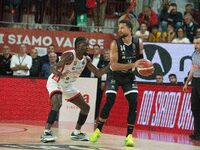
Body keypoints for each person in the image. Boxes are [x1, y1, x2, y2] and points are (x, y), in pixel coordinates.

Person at [40, 36, 109, 143]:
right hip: (56, 82)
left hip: (67, 86)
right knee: (57, 104)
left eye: (88, 45)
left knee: (86, 107)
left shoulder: (86, 59)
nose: (87, 47)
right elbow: (54, 67)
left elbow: (98, 73)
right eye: (85, 45)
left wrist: (110, 66)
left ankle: (76, 133)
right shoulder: (70, 55)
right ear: (78, 46)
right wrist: (58, 73)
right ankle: (46, 132)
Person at [89, 19, 145, 147]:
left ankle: (129, 136)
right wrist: (133, 65)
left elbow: (141, 61)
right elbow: (113, 65)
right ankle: (98, 130)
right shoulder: (115, 43)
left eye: (122, 28)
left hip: (129, 76)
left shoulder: (138, 43)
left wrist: (144, 67)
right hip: (115, 74)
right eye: (118, 28)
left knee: (133, 101)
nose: (119, 30)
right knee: (110, 100)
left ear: (130, 29)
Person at [183, 35, 200, 140]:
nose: (195, 45)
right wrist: (186, 83)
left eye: (198, 43)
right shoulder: (194, 54)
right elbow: (193, 69)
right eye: (195, 43)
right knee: (195, 108)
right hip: (195, 81)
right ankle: (197, 133)